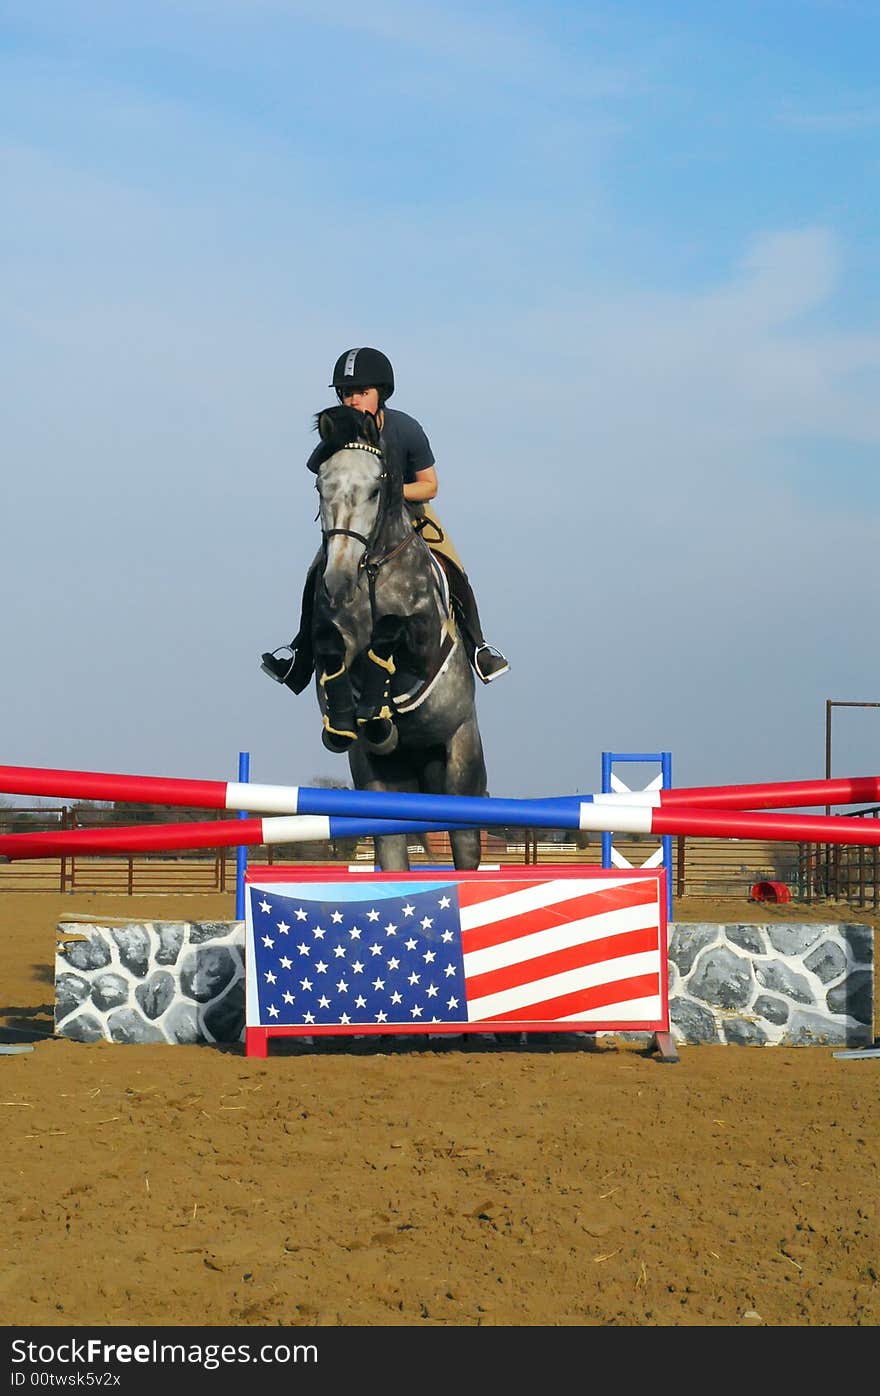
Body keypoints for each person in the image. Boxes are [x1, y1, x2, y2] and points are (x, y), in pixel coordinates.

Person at [262, 346, 509, 692]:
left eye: (362, 392)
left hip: (409, 513)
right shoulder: (335, 435)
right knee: (318, 572)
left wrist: (391, 491)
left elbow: (430, 486)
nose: (353, 400)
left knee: (452, 565)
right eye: (347, 393)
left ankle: (478, 646)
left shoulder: (404, 428)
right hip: (357, 520)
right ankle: (300, 654)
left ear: (381, 394)